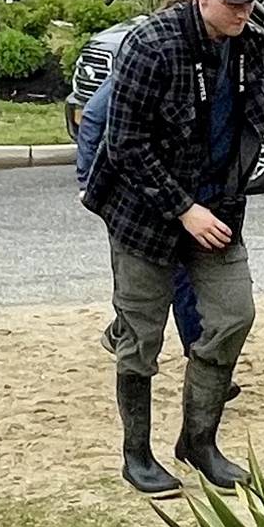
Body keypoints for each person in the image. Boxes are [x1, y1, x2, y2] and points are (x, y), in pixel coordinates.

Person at [83, 0, 264, 496]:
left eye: (251, 1)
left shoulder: (248, 41)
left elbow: (262, 98)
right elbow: (124, 144)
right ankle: (136, 456)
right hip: (145, 216)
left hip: (218, 209)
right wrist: (183, 208)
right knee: (141, 336)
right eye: (234, 2)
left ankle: (198, 442)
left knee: (234, 316)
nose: (245, 11)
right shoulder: (151, 46)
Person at [76, 74, 238, 402]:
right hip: (137, 201)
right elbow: (93, 115)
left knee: (167, 284)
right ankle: (196, 358)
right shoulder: (148, 59)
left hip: (176, 193)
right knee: (171, 282)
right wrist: (86, 179)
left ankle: (122, 332)